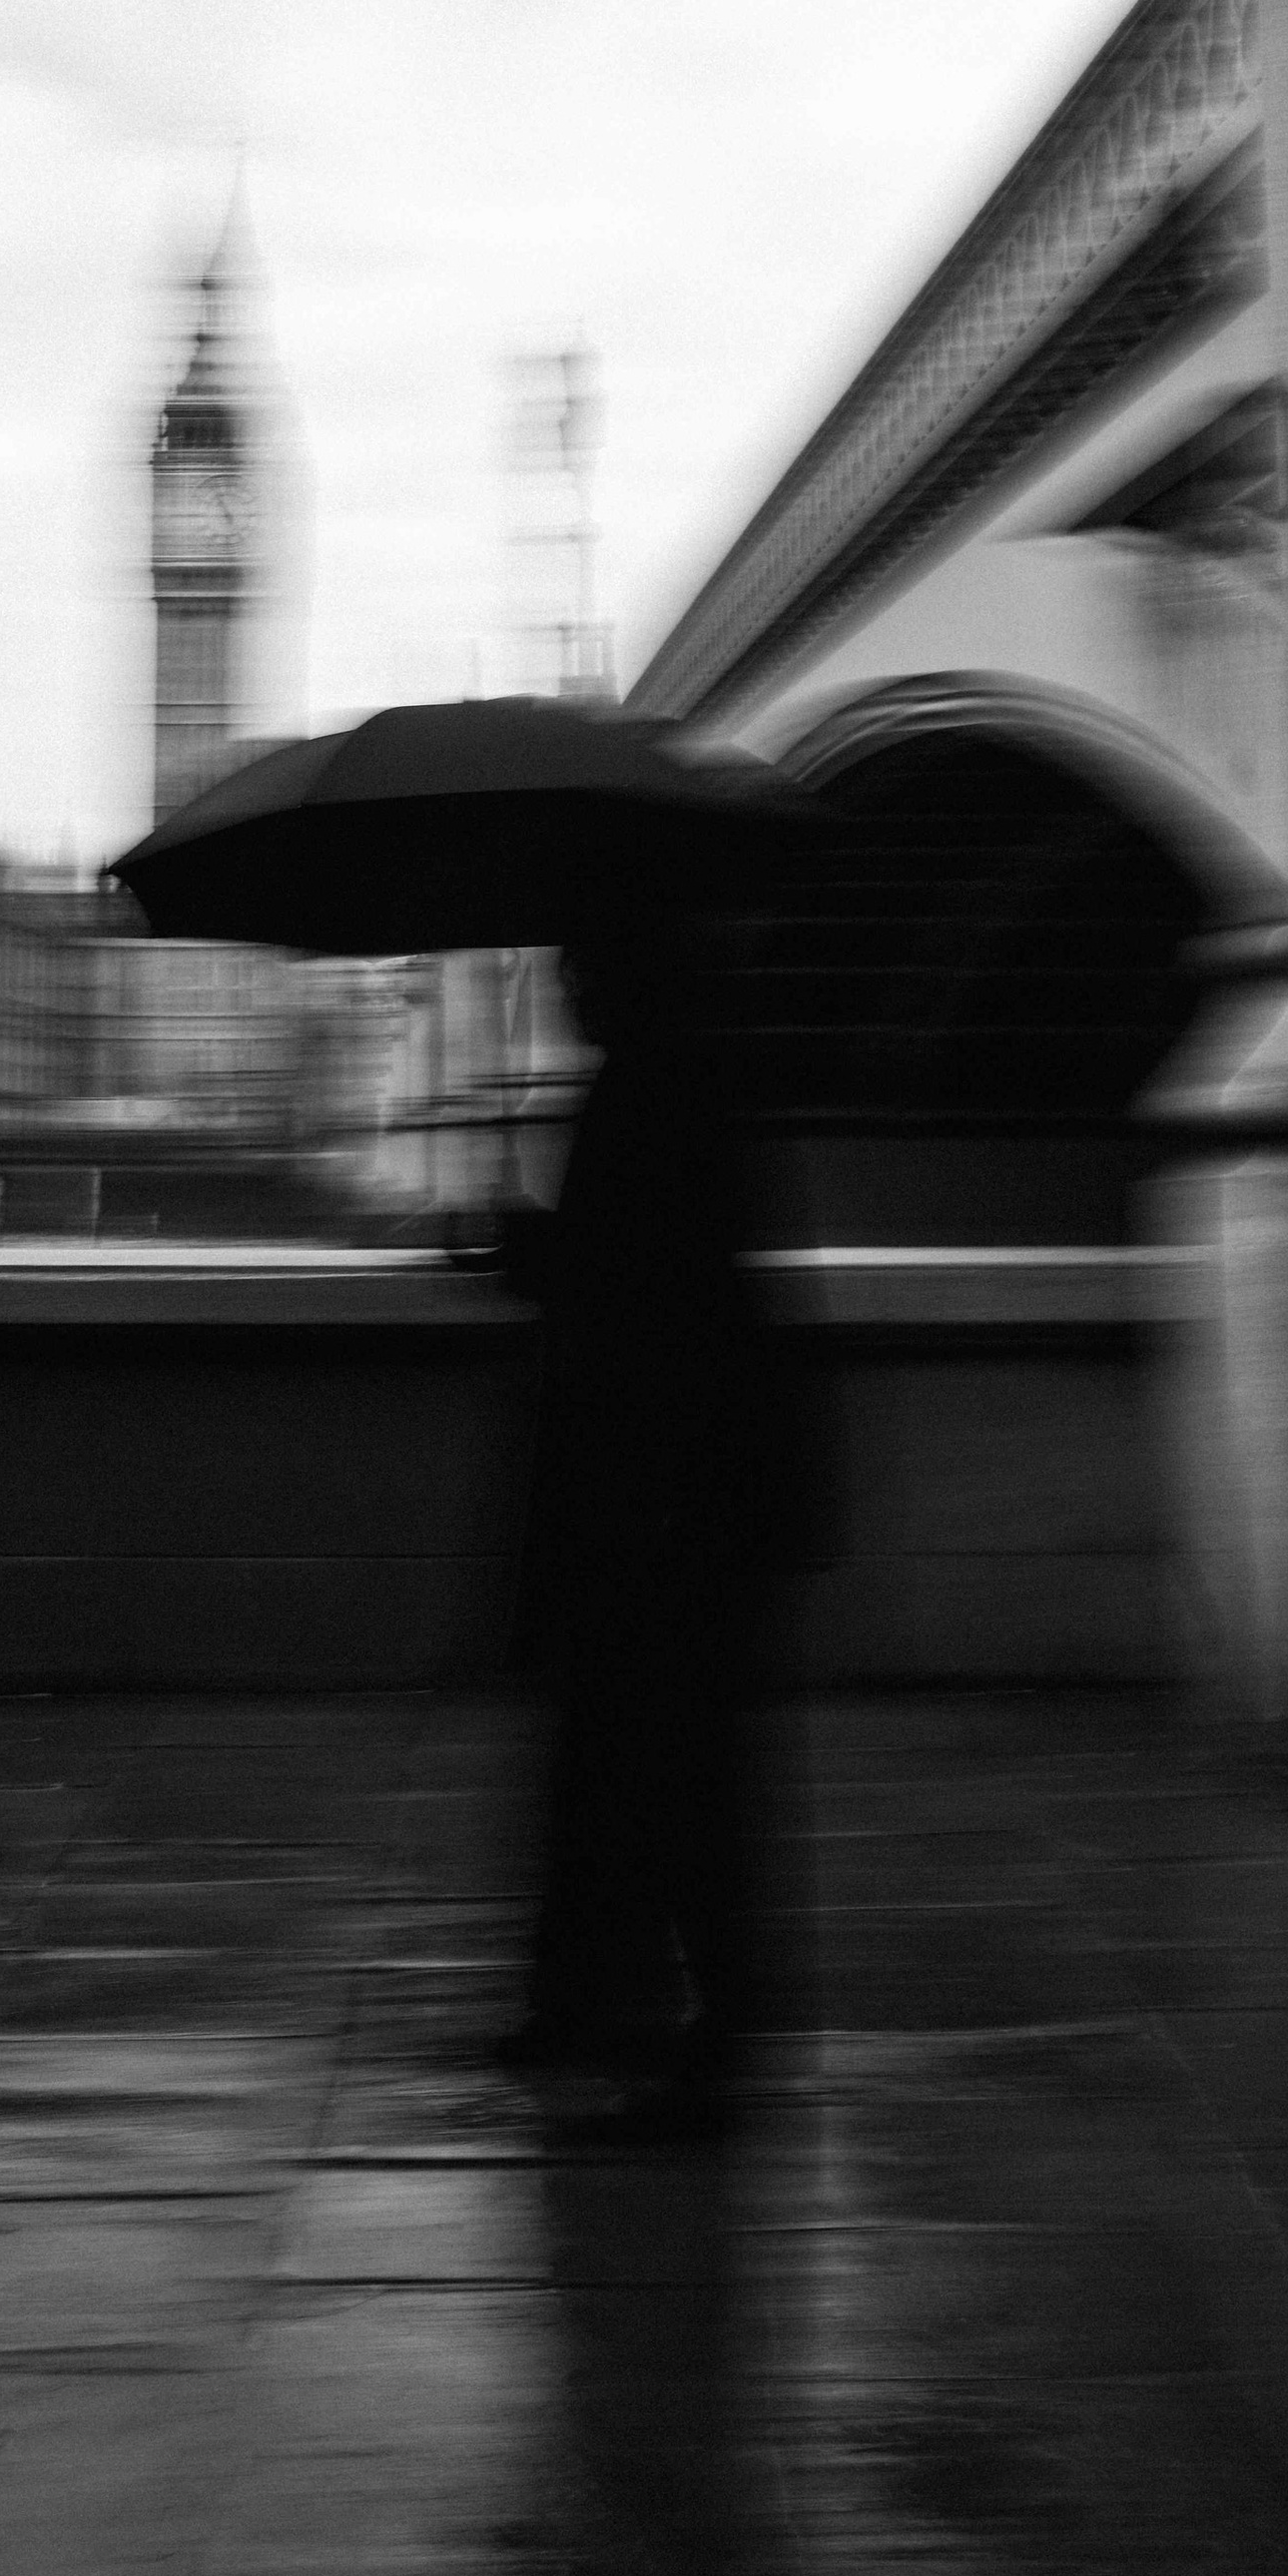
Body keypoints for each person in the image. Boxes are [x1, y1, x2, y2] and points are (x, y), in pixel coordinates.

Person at [501, 885, 798, 2126]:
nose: (564, 986)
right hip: (667, 1497)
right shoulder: (677, 1079)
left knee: (669, 1777)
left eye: (579, 963)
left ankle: (717, 2039)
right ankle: (587, 1996)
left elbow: (651, 1307)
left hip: (659, 1505)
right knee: (619, 1765)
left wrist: (534, 1255)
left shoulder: (655, 1090)